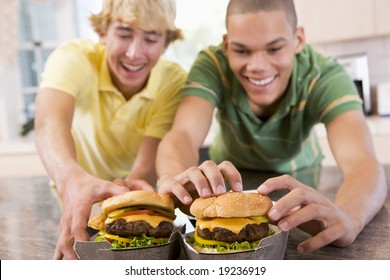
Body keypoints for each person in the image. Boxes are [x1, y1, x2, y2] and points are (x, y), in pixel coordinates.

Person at [156, 0, 387, 253]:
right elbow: (183, 135)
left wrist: (351, 217)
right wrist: (175, 178)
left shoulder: (324, 74)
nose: (257, 66)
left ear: (297, 40)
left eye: (274, 48)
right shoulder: (212, 63)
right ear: (226, 45)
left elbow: (363, 163)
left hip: (303, 185)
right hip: (228, 189)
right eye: (242, 51)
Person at [34, 0, 186, 260]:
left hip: (131, 198)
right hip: (67, 192)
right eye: (124, 35)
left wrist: (130, 194)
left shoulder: (173, 81)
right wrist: (70, 180)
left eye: (151, 39)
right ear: (102, 32)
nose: (134, 53)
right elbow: (48, 123)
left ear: (166, 44)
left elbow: (145, 165)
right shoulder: (74, 57)